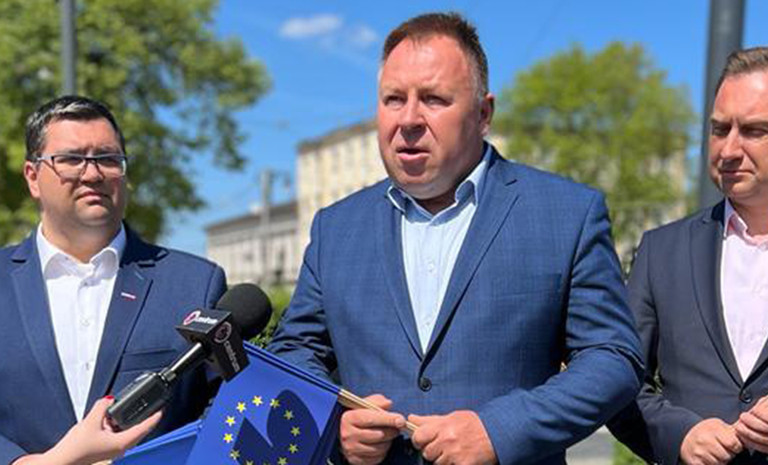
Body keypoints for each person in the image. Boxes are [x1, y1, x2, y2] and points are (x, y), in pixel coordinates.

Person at [268, 12, 643, 465]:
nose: (409, 119)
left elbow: (612, 359)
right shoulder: (336, 228)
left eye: (433, 99)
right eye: (393, 99)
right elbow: (294, 351)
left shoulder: (567, 215)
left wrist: (499, 431)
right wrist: (331, 423)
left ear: (483, 114)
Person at [0, 95, 227, 464]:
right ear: (33, 177)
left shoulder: (195, 284)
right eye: (72, 159)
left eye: (107, 159)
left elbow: (224, 411)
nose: (92, 174)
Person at [609, 47, 768, 465]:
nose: (728, 149)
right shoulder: (661, 252)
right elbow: (618, 382)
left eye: (753, 130)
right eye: (719, 129)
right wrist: (678, 435)